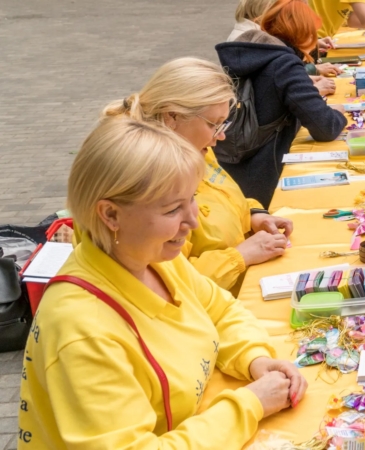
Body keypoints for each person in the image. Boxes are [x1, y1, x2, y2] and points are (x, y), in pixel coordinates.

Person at [18, 118, 307, 449]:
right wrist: (250, 404)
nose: (193, 221)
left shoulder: (150, 258)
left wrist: (255, 358)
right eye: (172, 209)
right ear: (110, 215)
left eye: (192, 199)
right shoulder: (81, 332)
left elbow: (221, 309)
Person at [103, 57, 292, 293]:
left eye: (223, 124)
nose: (220, 137)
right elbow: (166, 281)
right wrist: (239, 256)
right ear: (171, 116)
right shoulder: (146, 179)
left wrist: (254, 217)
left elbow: (225, 200)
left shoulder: (194, 148)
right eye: (214, 124)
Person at [217, 0, 348, 208]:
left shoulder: (256, 51)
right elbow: (325, 126)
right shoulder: (284, 64)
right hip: (266, 175)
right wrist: (339, 113)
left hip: (237, 169)